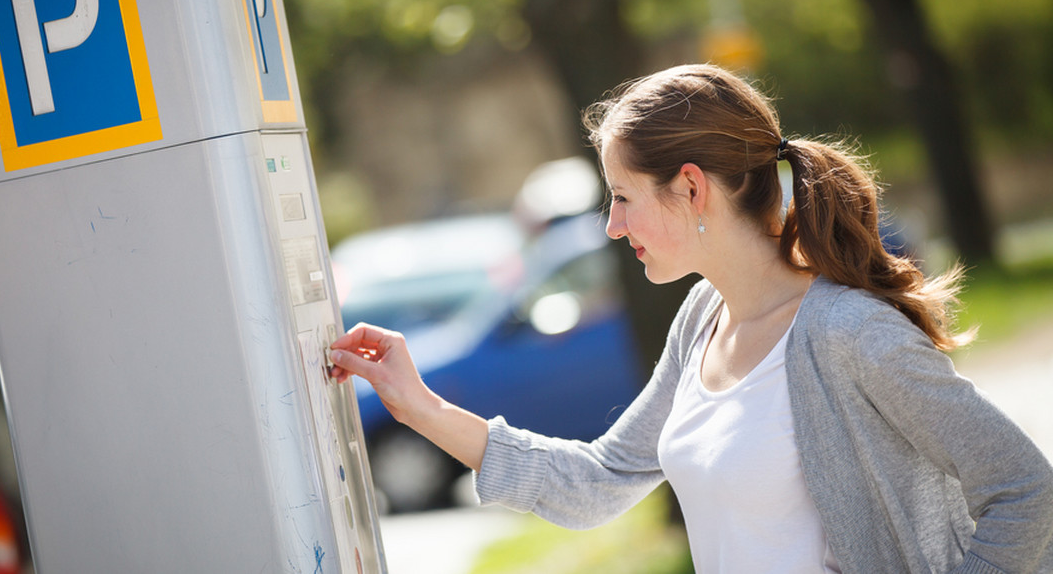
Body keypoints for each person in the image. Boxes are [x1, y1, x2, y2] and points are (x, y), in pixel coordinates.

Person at [328, 64, 1053, 573]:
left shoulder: (847, 333)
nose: (613, 226)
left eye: (622, 197)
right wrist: (417, 406)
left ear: (692, 188)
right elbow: (602, 479)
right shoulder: (704, 316)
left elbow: (1026, 491)